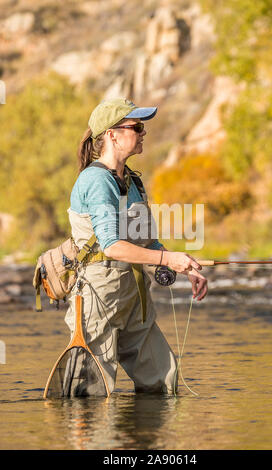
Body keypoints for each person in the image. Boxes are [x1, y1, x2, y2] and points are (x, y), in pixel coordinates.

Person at [64, 98, 208, 396]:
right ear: (111, 135)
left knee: (163, 382)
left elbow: (147, 241)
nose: (143, 133)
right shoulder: (96, 180)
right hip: (98, 301)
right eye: (137, 127)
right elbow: (113, 246)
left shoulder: (133, 181)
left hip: (134, 299)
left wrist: (183, 266)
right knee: (91, 397)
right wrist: (167, 257)